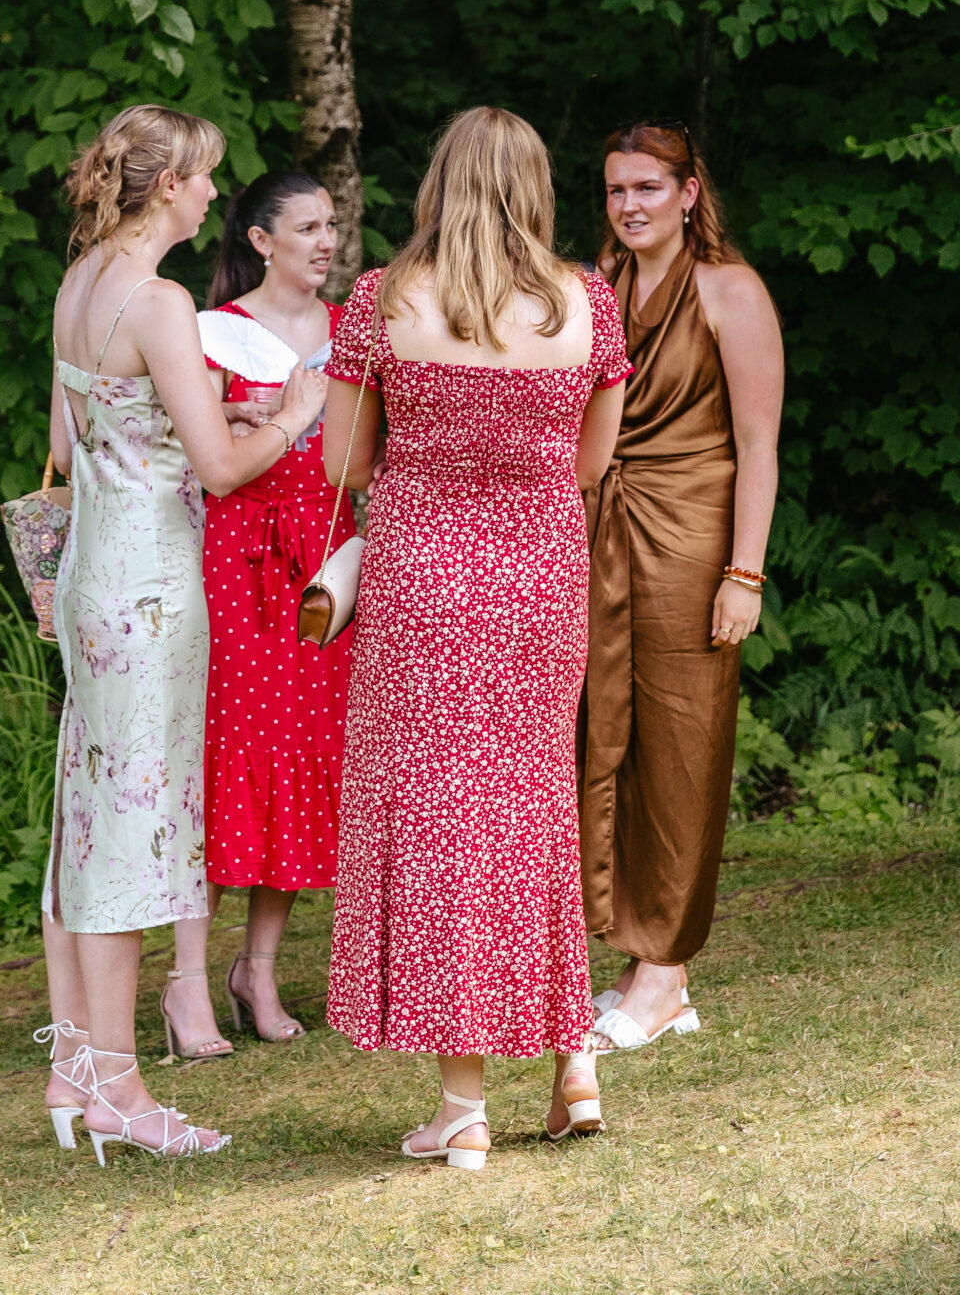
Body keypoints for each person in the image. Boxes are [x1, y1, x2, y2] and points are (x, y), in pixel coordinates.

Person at [320, 107, 631, 1169]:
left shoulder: (382, 300)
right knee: (532, 803)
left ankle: (462, 1106)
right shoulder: (588, 303)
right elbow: (590, 464)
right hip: (539, 574)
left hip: (420, 577)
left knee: (441, 820)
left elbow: (343, 460)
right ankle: (573, 1058)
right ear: (535, 186)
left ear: (438, 183)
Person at [33, 103, 326, 1162]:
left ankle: (75, 1063)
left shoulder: (82, 282)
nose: (212, 194)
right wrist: (290, 415)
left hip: (92, 575)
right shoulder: (158, 302)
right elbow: (220, 472)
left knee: (85, 813)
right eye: (203, 176)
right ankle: (118, 1089)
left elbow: (84, 431)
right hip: (149, 585)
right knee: (129, 829)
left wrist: (211, 413)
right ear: (168, 186)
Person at [580, 118, 783, 1058]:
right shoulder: (597, 284)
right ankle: (640, 957)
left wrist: (744, 572)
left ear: (688, 193)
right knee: (607, 738)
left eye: (647, 188)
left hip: (693, 538)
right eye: (616, 190)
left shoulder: (730, 290)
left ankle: (666, 971)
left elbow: (758, 445)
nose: (628, 206)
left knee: (682, 744)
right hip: (601, 530)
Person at [191, 171, 352, 1046]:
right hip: (240, 556)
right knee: (236, 753)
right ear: (260, 241)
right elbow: (197, 459)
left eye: (331, 225)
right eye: (307, 227)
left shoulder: (350, 330)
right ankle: (186, 978)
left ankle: (257, 968)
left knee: (302, 750)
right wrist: (236, 411)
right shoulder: (212, 333)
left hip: (324, 553)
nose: (326, 241)